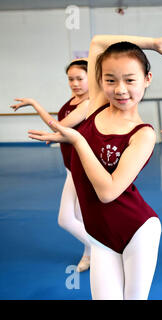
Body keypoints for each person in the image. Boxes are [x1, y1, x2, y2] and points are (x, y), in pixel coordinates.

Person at [28, 27, 162, 299]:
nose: (120, 89)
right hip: (100, 236)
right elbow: (98, 42)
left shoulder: (143, 134)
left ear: (147, 79)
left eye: (130, 79)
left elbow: (108, 192)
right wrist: (153, 42)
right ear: (100, 82)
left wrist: (77, 140)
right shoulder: (98, 106)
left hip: (137, 230)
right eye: (110, 80)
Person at [10, 59, 91, 272]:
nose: (74, 83)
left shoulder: (88, 103)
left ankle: (104, 249)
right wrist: (55, 136)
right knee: (81, 216)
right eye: (71, 79)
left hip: (81, 167)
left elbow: (59, 126)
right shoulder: (73, 99)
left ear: (91, 78)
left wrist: (35, 104)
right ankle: (90, 254)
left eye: (80, 78)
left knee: (65, 219)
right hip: (70, 166)